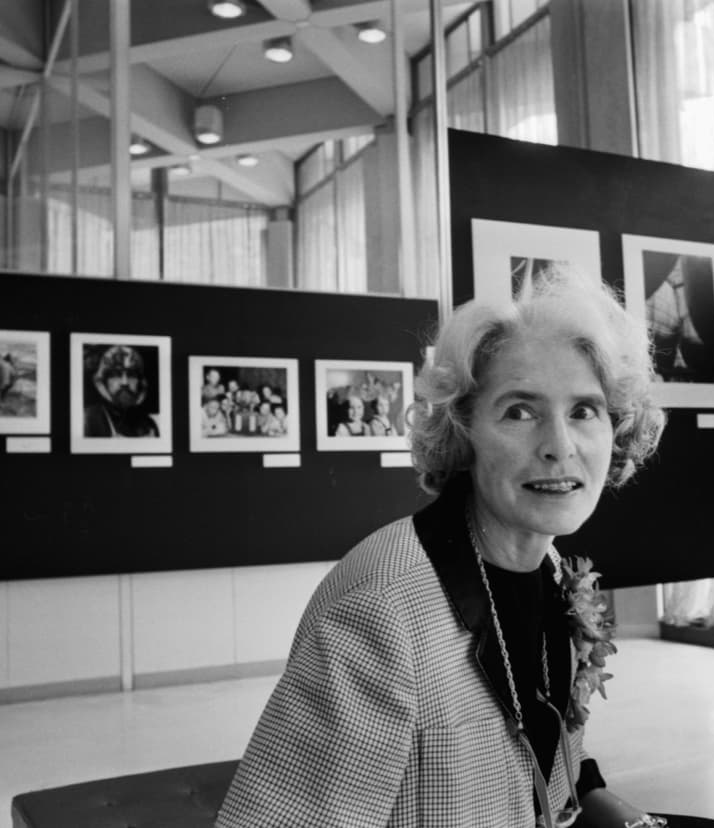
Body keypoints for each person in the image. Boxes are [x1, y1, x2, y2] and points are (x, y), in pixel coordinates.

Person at [217, 267, 667, 828]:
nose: (559, 446)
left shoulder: (547, 569)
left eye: (583, 410)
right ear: (463, 432)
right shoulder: (383, 611)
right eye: (520, 411)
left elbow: (543, 763)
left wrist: (617, 815)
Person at [82, 345, 159, 438]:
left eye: (131, 375)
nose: (125, 382)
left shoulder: (149, 425)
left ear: (140, 382)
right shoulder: (88, 420)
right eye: (116, 375)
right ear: (103, 381)